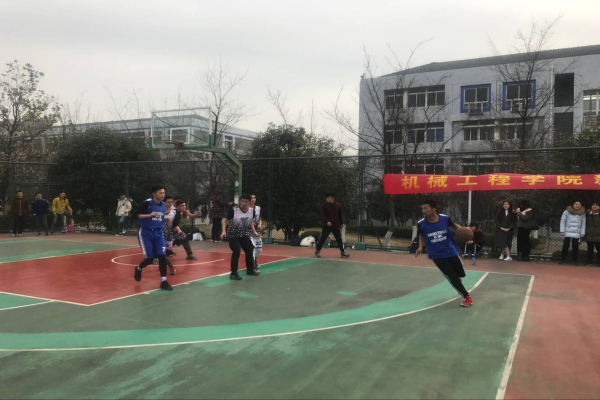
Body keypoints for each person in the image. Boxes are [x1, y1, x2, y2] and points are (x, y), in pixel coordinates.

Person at [415, 200, 473, 307]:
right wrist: (420, 246)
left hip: (451, 250)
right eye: (422, 209)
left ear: (433, 209)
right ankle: (467, 297)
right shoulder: (421, 223)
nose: (423, 211)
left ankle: (457, 278)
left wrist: (464, 233)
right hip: (437, 255)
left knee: (461, 274)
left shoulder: (445, 218)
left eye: (425, 208)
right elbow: (421, 234)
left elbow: (454, 226)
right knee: (452, 278)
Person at [133, 185, 173, 291]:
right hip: (146, 233)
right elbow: (135, 215)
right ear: (154, 194)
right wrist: (149, 215)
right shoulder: (147, 203)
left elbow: (159, 217)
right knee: (150, 259)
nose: (162, 195)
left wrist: (164, 220)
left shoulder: (163, 205)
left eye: (163, 193)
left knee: (162, 256)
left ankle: (163, 281)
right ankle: (138, 268)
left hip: (158, 233)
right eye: (160, 193)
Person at [221, 194, 260, 280]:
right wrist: (223, 231)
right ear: (240, 201)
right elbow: (225, 221)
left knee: (250, 249)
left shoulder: (252, 211)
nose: (244, 203)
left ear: (249, 202)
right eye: (242, 201)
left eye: (246, 202)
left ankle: (250, 269)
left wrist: (254, 232)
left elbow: (251, 222)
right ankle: (233, 273)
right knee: (236, 251)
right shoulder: (234, 210)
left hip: (244, 234)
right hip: (233, 234)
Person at [314, 193, 350, 259]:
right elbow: (322, 215)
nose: (327, 199)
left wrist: (341, 223)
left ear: (332, 198)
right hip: (327, 226)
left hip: (335, 226)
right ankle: (317, 251)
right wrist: (327, 221)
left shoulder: (337, 206)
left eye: (328, 197)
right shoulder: (324, 206)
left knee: (339, 239)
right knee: (323, 238)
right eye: (326, 198)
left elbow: (339, 215)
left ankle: (342, 252)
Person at [559, 201, 586, 265]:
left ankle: (575, 260)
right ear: (573, 205)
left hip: (576, 232)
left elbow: (583, 223)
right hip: (567, 232)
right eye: (576, 204)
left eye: (579, 204)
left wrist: (582, 233)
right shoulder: (566, 212)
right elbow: (563, 221)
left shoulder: (582, 213)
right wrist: (562, 231)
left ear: (581, 206)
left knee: (575, 247)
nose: (577, 205)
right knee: (565, 246)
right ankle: (563, 260)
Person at [585, 201, 600, 267]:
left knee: (599, 249)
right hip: (589, 234)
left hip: (598, 235)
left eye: (596, 205)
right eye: (593, 205)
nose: (595, 206)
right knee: (589, 249)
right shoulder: (587, 215)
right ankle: (589, 262)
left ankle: (599, 263)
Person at [250, 194, 263, 270]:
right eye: (251, 198)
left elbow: (260, 219)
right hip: (249, 231)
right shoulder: (247, 209)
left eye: (254, 198)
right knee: (252, 248)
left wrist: (260, 224)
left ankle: (255, 259)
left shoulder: (258, 208)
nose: (253, 199)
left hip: (257, 231)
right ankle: (253, 264)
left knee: (259, 249)